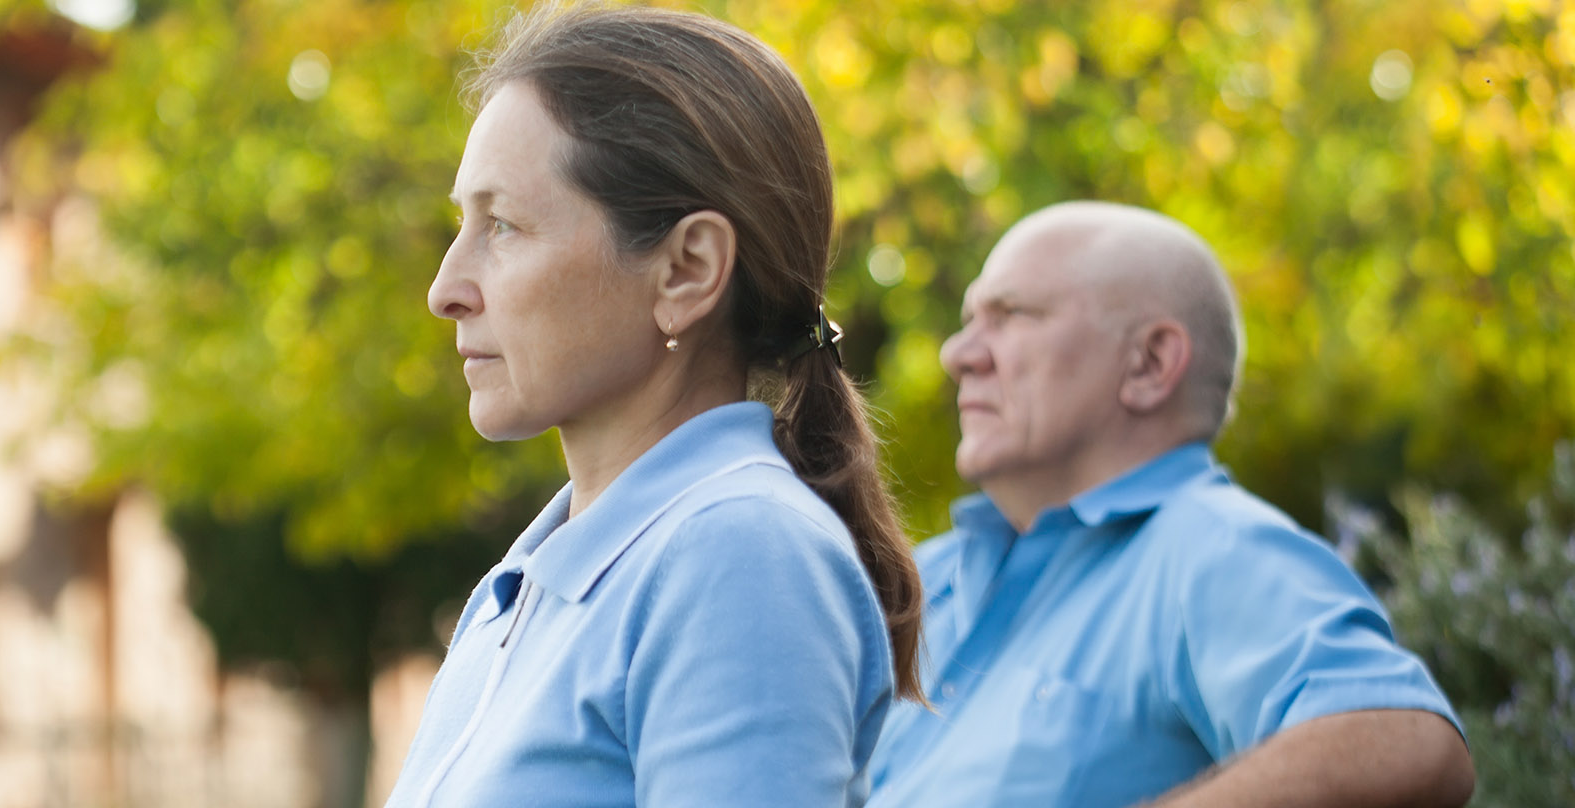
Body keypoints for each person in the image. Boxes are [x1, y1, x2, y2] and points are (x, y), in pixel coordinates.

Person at [383, 5, 922, 807]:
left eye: (502, 225)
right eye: (461, 222)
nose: (444, 290)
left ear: (687, 270)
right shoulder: (526, 585)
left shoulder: (741, 554)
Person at [865, 201, 1474, 807]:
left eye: (1012, 315)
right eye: (971, 319)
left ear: (1150, 364)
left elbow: (1406, 742)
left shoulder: (1212, 549)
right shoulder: (931, 579)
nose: (958, 354)